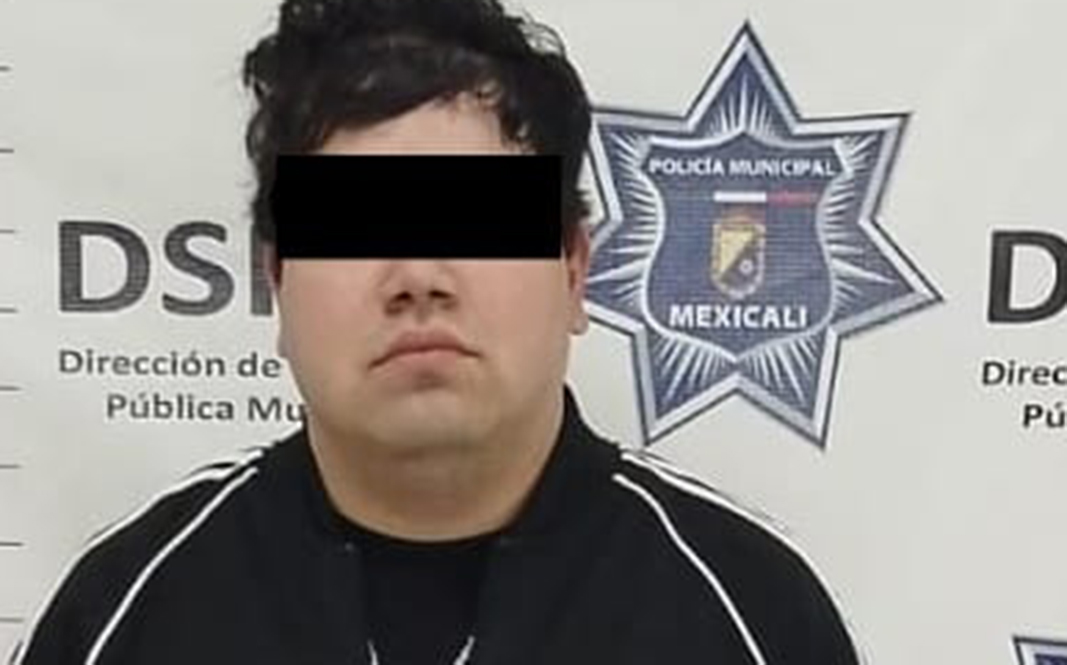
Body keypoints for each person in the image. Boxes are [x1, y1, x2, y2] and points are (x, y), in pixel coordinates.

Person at [10, 0, 861, 663]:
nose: (418, 275)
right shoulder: (123, 614)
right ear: (277, 279)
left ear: (573, 268)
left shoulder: (753, 614)